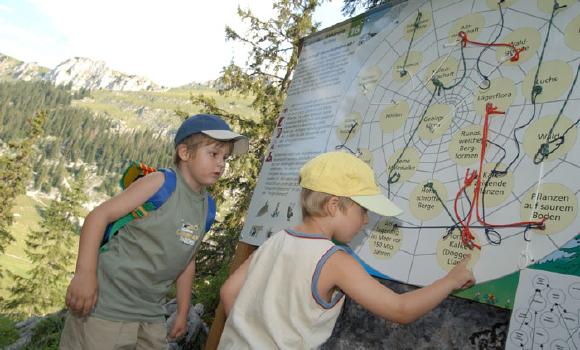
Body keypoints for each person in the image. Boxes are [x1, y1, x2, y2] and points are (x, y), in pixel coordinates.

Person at [218, 151, 475, 349]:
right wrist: (449, 281)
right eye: (363, 210)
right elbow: (400, 310)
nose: (365, 220)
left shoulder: (276, 240)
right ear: (333, 205)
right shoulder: (334, 261)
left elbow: (229, 291)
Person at [59, 114, 249, 350]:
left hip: (150, 314)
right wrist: (84, 275)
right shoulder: (161, 182)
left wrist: (182, 311)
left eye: (225, 157)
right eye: (213, 154)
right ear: (185, 153)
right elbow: (98, 217)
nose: (221, 163)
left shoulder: (207, 208)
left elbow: (187, 261)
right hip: (105, 307)